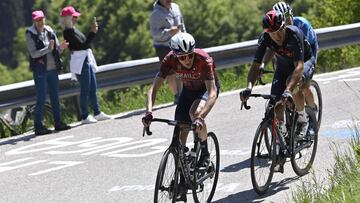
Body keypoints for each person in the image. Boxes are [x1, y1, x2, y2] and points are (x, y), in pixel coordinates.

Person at [142, 32, 220, 201]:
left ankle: (204, 152)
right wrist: (149, 112)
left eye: (189, 55)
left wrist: (200, 118)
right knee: (179, 135)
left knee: (195, 113)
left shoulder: (203, 59)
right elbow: (153, 89)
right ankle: (182, 181)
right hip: (188, 92)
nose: (187, 60)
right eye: (182, 57)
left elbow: (213, 93)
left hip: (206, 89)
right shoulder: (169, 59)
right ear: (176, 56)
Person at [240, 10, 316, 173]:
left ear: (284, 26)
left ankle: (302, 119)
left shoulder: (294, 34)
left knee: (293, 86)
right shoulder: (265, 38)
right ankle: (281, 141)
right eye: (272, 33)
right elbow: (255, 65)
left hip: (303, 63)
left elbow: (299, 67)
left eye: (278, 31)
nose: (276, 36)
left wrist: (288, 90)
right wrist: (249, 87)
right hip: (282, 67)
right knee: (277, 105)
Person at [261, 1, 319, 113]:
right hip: (291, 55)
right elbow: (276, 51)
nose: (287, 21)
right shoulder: (277, 29)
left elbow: (304, 53)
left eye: (288, 17)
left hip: (308, 51)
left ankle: (313, 110)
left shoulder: (302, 24)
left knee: (303, 85)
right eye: (284, 18)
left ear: (291, 15)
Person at [60, 6, 111, 124]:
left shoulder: (74, 30)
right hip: (80, 63)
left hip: (86, 60)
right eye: (74, 17)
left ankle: (97, 112)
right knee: (85, 89)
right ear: (68, 18)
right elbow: (83, 45)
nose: (76, 19)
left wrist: (91, 34)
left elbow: (83, 44)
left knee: (92, 88)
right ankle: (84, 115)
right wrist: (92, 33)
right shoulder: (68, 32)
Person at [25, 10, 71, 135]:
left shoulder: (49, 30)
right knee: (41, 98)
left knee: (55, 97)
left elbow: (55, 50)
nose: (40, 22)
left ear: (44, 19)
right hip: (40, 71)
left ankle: (58, 123)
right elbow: (33, 54)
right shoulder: (30, 34)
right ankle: (38, 126)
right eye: (37, 20)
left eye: (42, 19)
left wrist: (61, 47)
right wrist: (47, 49)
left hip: (53, 69)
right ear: (34, 21)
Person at [149, 0, 186, 104]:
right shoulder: (155, 15)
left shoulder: (176, 7)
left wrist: (186, 36)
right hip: (163, 46)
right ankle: (177, 95)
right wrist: (169, 31)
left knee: (182, 68)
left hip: (179, 42)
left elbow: (182, 24)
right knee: (170, 72)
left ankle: (184, 92)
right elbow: (155, 34)